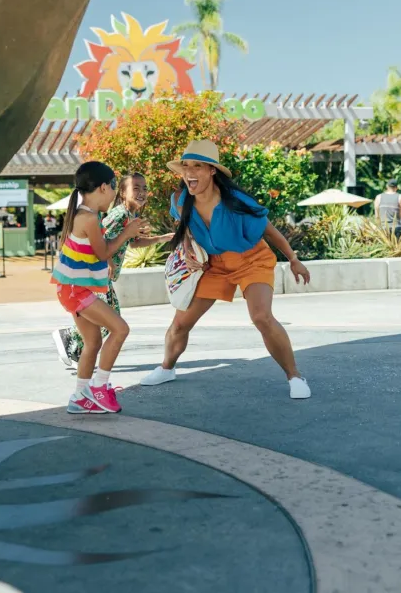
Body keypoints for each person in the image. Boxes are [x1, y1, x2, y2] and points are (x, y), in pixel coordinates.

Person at [140, 140, 313, 399]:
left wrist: (293, 259)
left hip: (251, 259)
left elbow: (269, 230)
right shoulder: (180, 200)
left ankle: (295, 376)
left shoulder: (236, 202)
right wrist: (187, 248)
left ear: (212, 171)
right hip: (214, 264)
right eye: (186, 166)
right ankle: (167, 368)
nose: (190, 172)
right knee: (180, 324)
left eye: (198, 166)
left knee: (261, 317)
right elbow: (185, 227)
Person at [51, 161, 149, 414]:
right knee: (120, 329)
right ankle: (97, 388)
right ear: (104, 187)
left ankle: (79, 397)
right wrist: (127, 233)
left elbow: (95, 253)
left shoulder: (83, 214)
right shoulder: (89, 218)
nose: (115, 194)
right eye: (115, 187)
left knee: (92, 342)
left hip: (70, 289)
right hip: (76, 290)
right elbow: (103, 252)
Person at [52, 173, 173, 370]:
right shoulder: (120, 215)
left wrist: (162, 238)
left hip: (103, 276)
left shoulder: (130, 216)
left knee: (109, 319)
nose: (142, 192)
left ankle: (76, 344)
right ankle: (74, 343)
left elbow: (133, 243)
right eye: (136, 188)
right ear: (123, 193)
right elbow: (102, 235)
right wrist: (107, 262)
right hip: (99, 274)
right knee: (112, 320)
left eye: (144, 188)